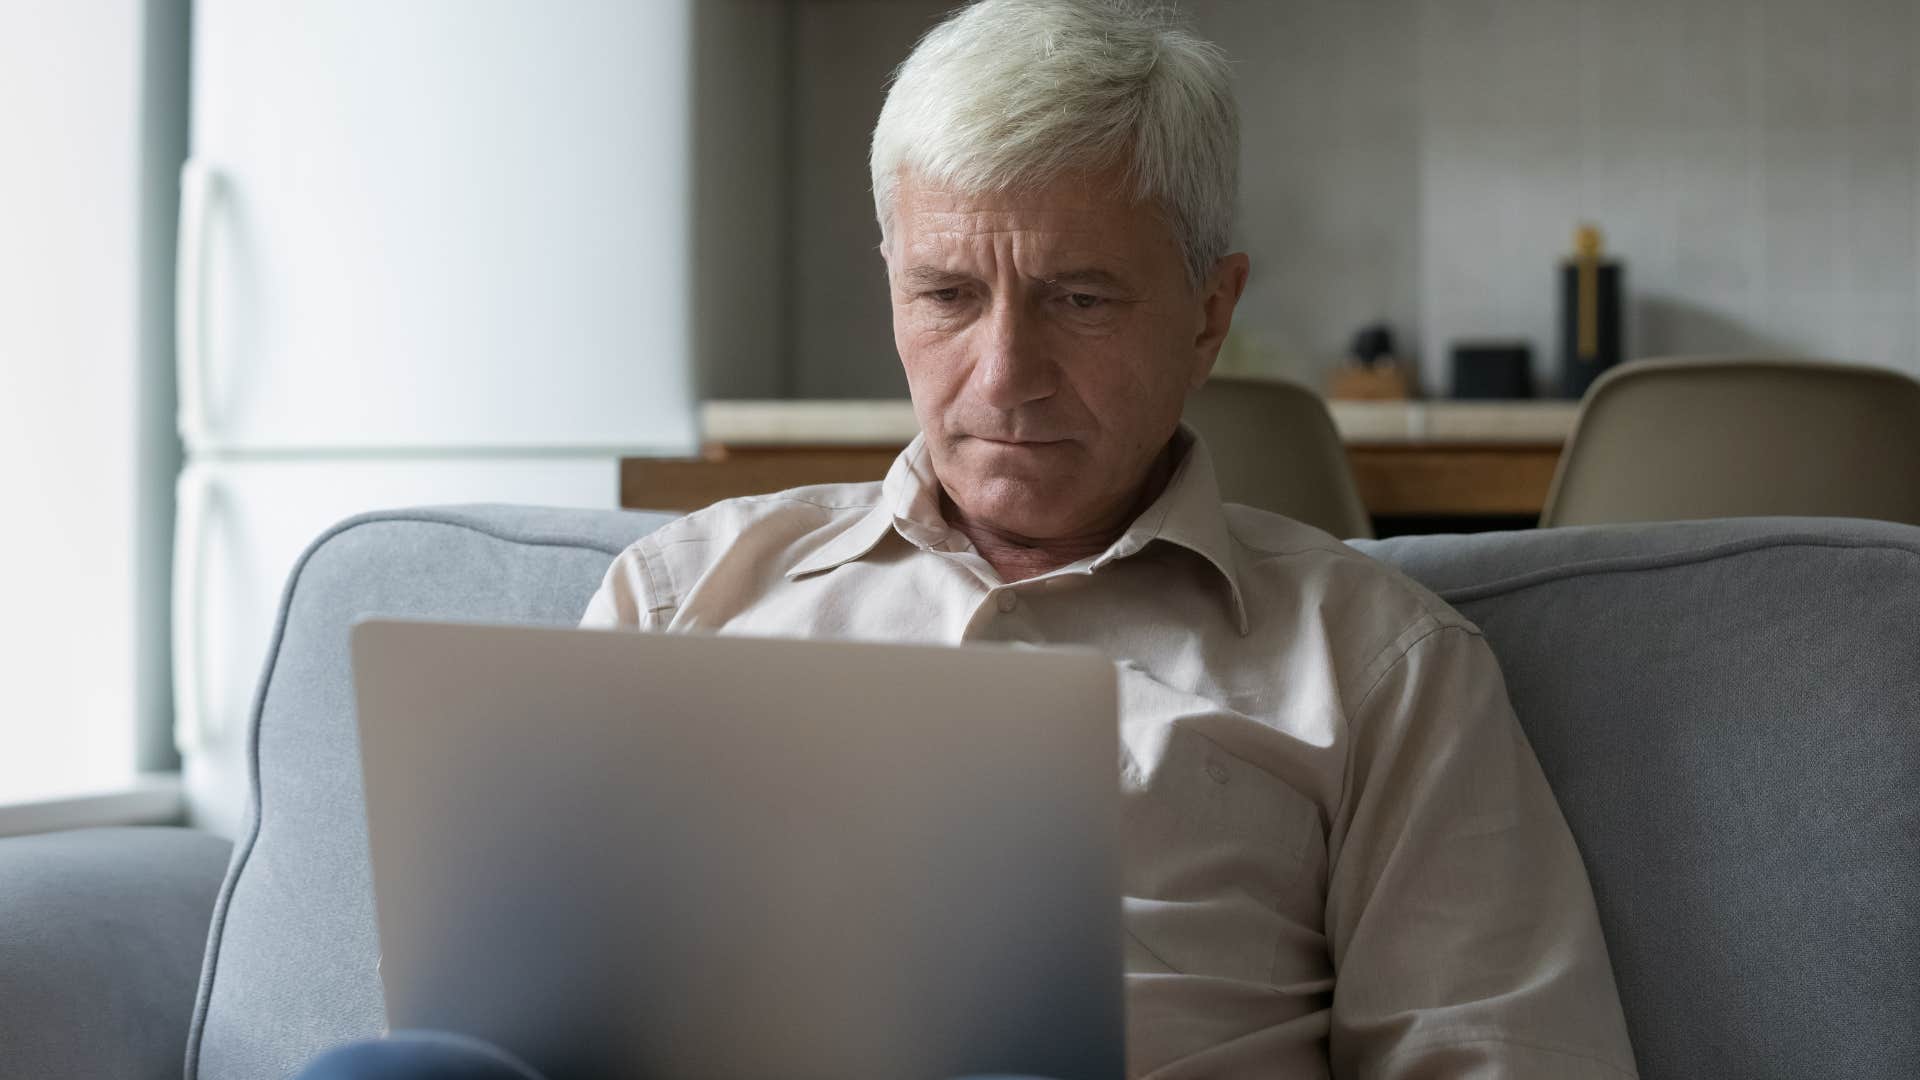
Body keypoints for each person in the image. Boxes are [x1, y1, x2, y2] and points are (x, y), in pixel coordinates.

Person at [303, 1, 1637, 1076]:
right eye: (947, 294)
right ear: (891, 287)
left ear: (1208, 310)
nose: (1004, 373)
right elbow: (516, 1013)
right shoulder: (684, 592)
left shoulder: (1378, 666)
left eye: (1078, 298)